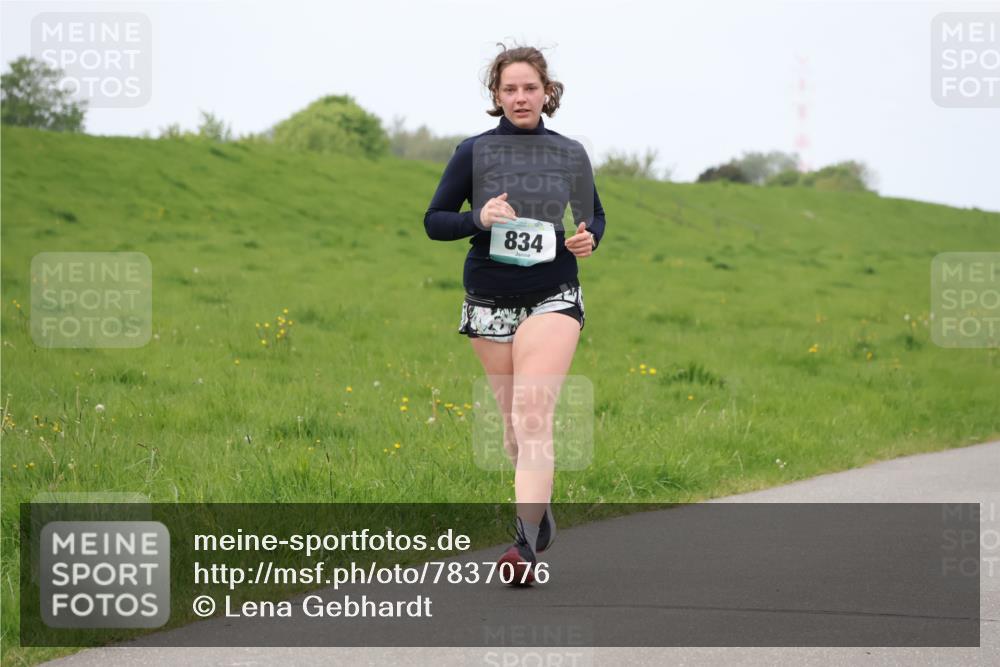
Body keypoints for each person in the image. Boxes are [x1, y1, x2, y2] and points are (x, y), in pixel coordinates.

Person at [423, 44, 607, 586]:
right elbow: (435, 220)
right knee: (512, 432)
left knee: (533, 417)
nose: (521, 97)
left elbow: (593, 213)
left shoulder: (569, 152)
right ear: (496, 96)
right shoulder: (473, 152)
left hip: (553, 293)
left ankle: (523, 548)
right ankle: (538, 509)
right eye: (510, 89)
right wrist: (479, 218)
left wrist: (587, 238)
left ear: (546, 92)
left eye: (530, 87)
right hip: (488, 296)